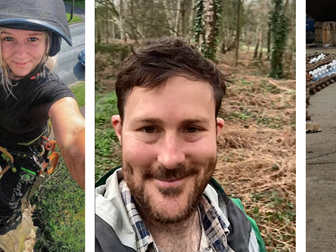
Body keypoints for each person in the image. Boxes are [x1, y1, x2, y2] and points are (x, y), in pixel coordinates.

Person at [94, 38, 265, 252]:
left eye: (192, 129)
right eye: (149, 129)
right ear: (119, 131)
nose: (170, 158)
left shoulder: (245, 233)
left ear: (216, 132)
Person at [0, 0, 85, 230]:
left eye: (33, 39)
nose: (20, 53)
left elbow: (75, 131)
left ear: (50, 43)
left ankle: (0, 219)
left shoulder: (50, 91)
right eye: (8, 38)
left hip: (27, 153)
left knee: (8, 200)